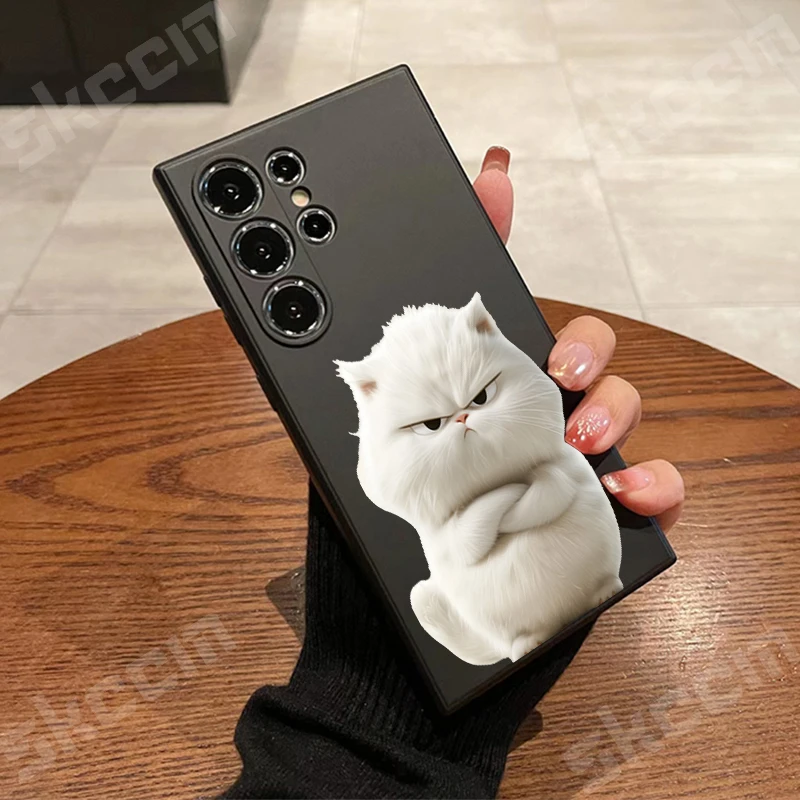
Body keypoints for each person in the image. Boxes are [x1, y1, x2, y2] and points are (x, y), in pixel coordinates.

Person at [220, 147, 685, 800]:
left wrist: (376, 735)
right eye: (435, 422)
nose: (463, 422)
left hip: (540, 569)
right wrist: (397, 721)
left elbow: (540, 493)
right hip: (475, 617)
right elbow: (461, 538)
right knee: (425, 598)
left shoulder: (526, 447)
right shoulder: (408, 474)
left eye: (479, 398)